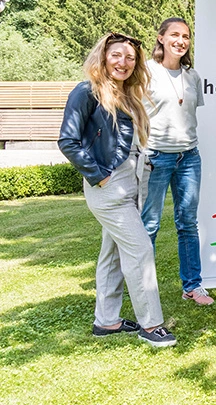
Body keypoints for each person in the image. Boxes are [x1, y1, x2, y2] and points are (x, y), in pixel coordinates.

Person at [58, 32, 176, 347]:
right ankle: (152, 325)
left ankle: (106, 321)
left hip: (132, 183)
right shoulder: (86, 92)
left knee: (112, 254)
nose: (123, 62)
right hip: (110, 187)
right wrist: (99, 176)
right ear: (103, 57)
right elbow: (67, 140)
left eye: (130, 58)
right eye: (117, 55)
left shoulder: (128, 95)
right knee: (139, 251)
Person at [139, 17, 213, 306]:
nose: (180, 41)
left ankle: (193, 286)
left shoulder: (192, 76)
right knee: (150, 224)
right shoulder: (145, 72)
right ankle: (143, 286)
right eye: (174, 35)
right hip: (155, 156)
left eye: (185, 36)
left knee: (187, 223)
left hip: (189, 158)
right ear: (160, 38)